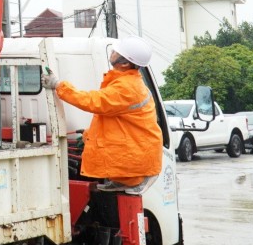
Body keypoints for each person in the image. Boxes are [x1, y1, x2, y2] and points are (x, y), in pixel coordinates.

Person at [42, 36, 163, 194]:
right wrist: (89, 135)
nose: (112, 52)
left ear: (125, 63)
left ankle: (134, 181)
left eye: (116, 51)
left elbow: (93, 101)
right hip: (139, 153)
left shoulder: (127, 87)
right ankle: (122, 181)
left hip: (138, 160)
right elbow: (115, 123)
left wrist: (58, 85)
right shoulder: (126, 83)